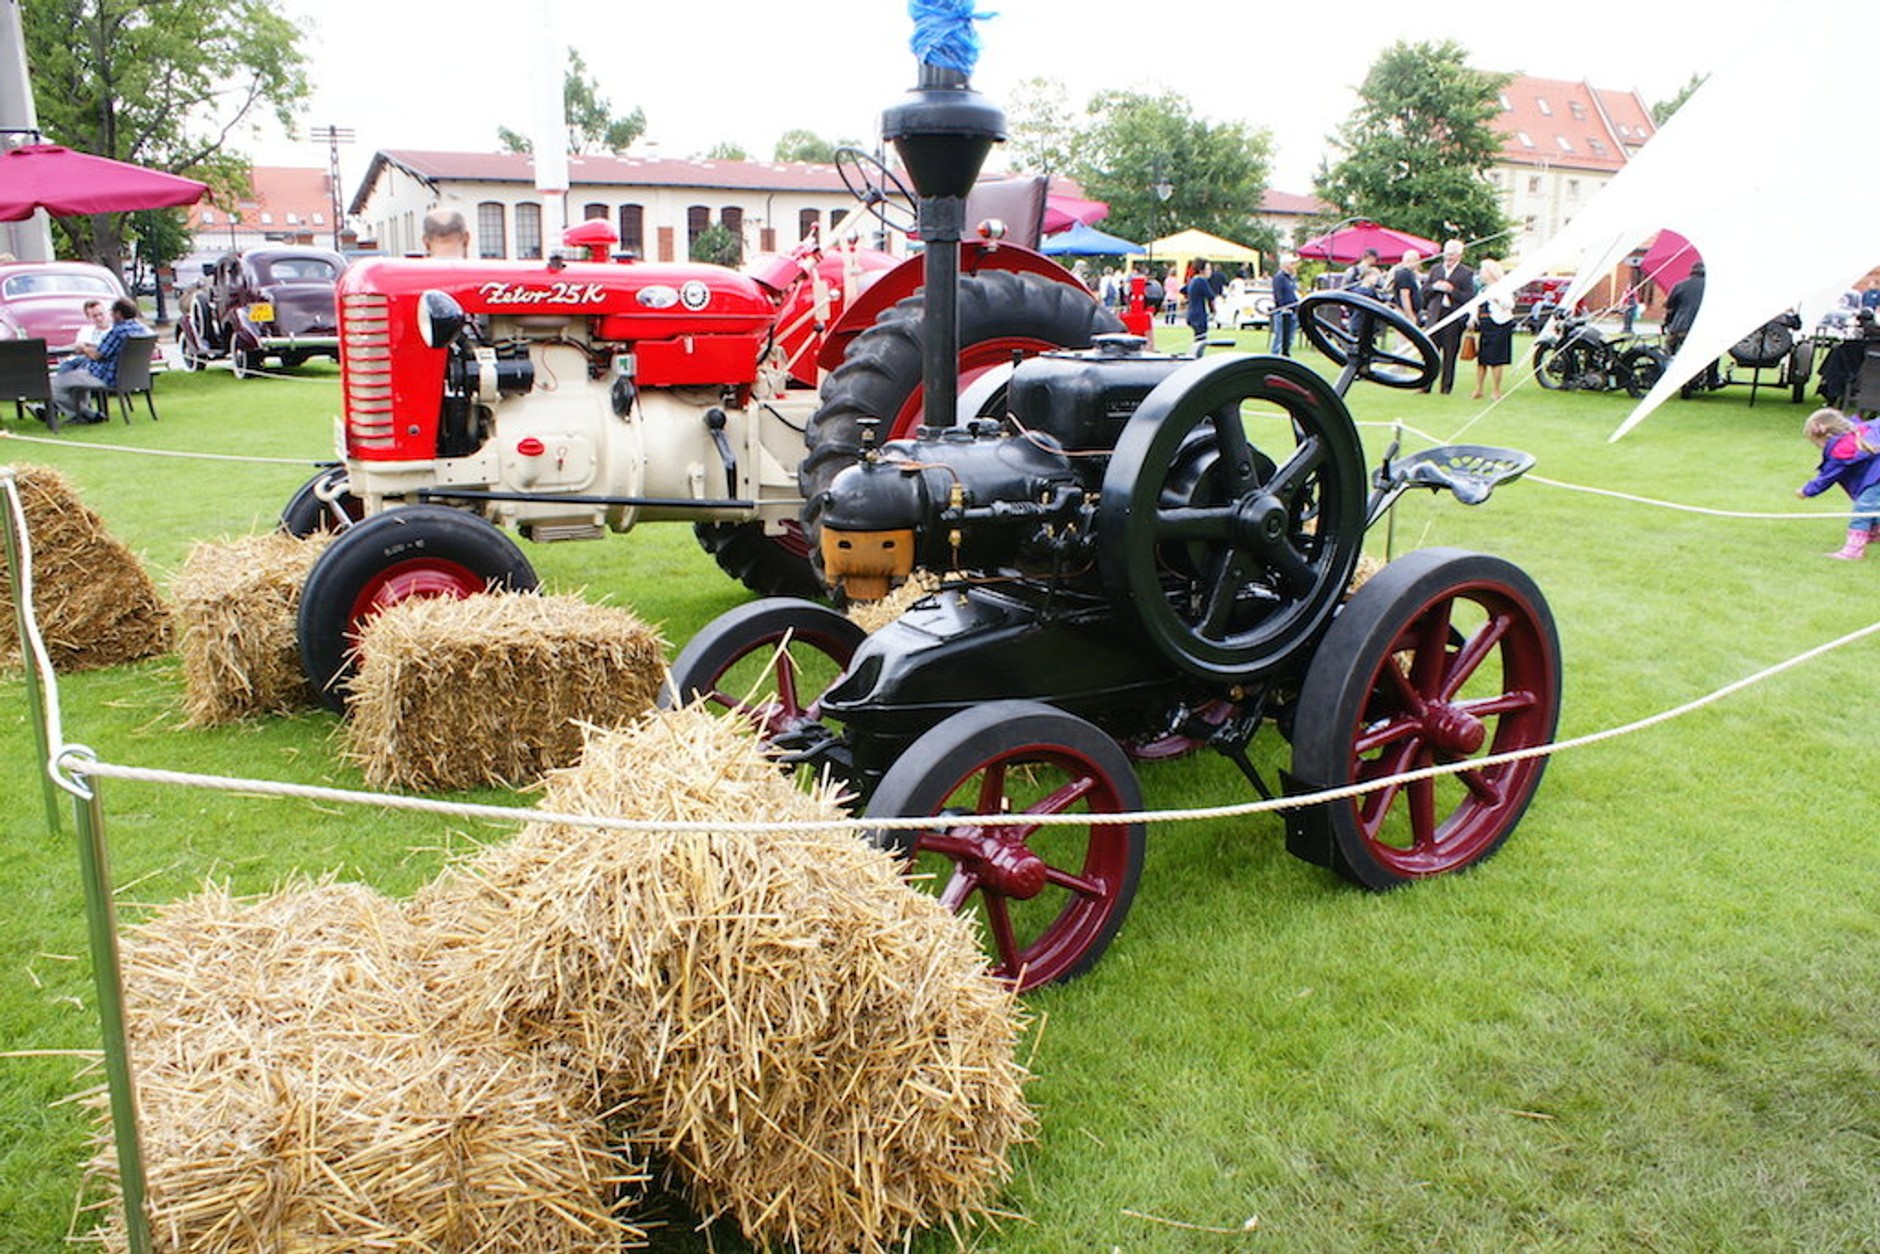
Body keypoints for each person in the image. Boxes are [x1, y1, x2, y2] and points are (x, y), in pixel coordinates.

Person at [50, 296, 148, 429]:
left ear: (118, 314)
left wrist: (84, 349)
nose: (111, 315)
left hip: (105, 377)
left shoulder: (117, 331)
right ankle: (83, 415)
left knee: (54, 384)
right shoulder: (140, 330)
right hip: (131, 376)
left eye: (111, 312)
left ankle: (87, 414)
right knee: (75, 376)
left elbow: (98, 355)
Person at [1795, 407, 1880, 560]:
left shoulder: (1842, 448)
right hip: (1875, 475)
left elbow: (1827, 477)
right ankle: (1874, 532)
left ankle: (1853, 550)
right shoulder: (1861, 431)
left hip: (1877, 477)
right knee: (1872, 503)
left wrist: (1806, 491)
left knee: (1864, 507)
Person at [1421, 238, 1476, 394]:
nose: (1448, 257)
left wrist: (1451, 290)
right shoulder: (1435, 269)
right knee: (1430, 352)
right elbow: (1424, 292)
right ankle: (1425, 386)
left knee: (1449, 354)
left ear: (1459, 255)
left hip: (1452, 317)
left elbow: (1468, 297)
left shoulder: (1466, 273)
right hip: (1435, 315)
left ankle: (1446, 388)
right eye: (1446, 253)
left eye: (1452, 254)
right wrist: (1435, 287)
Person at [1664, 261, 1714, 394]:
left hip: (1679, 328)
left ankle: (1666, 375)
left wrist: (1667, 323)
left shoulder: (1680, 285)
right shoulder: (1713, 287)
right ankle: (1712, 378)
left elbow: (1669, 307)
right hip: (1702, 330)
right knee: (1712, 353)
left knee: (1668, 351)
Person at [1469, 257, 1516, 401]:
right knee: (1482, 359)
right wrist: (1472, 317)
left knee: (1496, 359)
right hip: (1485, 325)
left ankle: (1496, 390)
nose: (1481, 274)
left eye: (1483, 271)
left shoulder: (1502, 287)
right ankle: (1478, 389)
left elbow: (1509, 304)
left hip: (1499, 325)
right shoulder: (1482, 289)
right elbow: (1475, 305)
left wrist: (1496, 299)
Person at [55, 299, 111, 374]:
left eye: (101, 314)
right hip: (82, 360)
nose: (99, 318)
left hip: (99, 362)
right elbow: (78, 347)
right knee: (67, 365)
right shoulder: (86, 331)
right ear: (89, 318)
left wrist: (86, 347)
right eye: (94, 316)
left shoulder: (114, 330)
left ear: (107, 313)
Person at [1269, 253, 1301, 356]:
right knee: (1279, 336)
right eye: (1292, 263)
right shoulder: (1279, 277)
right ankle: (1274, 357)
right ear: (1285, 264)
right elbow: (1278, 295)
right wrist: (1283, 307)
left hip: (1293, 311)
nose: (1294, 266)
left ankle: (1286, 355)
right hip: (1282, 312)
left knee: (1290, 337)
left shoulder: (1291, 278)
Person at [1185, 259, 1213, 349]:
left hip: (1191, 313)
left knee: (1198, 338)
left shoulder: (1193, 279)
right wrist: (1214, 311)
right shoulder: (1201, 280)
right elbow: (1211, 296)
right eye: (1208, 269)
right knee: (1201, 340)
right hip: (1199, 314)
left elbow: (1183, 289)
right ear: (1202, 270)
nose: (1210, 272)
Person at [1389, 250, 1423, 323]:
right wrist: (1410, 315)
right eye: (1417, 260)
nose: (1419, 263)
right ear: (1410, 260)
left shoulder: (1409, 274)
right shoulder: (1404, 274)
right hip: (1404, 312)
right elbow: (1405, 296)